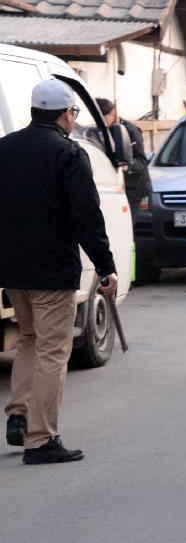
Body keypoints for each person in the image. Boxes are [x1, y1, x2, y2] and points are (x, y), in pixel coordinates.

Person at [0, 79, 118, 464]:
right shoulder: (68, 153)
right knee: (53, 350)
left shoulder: (5, 148)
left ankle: (18, 415)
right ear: (67, 114)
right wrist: (106, 266)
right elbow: (86, 215)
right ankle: (40, 439)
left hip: (12, 268)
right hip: (52, 270)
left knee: (30, 341)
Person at [95, 98, 152, 224]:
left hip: (133, 189)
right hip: (109, 187)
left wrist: (127, 166)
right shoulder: (95, 131)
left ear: (113, 114)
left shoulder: (130, 130)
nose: (99, 122)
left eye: (103, 117)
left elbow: (142, 162)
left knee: (126, 226)